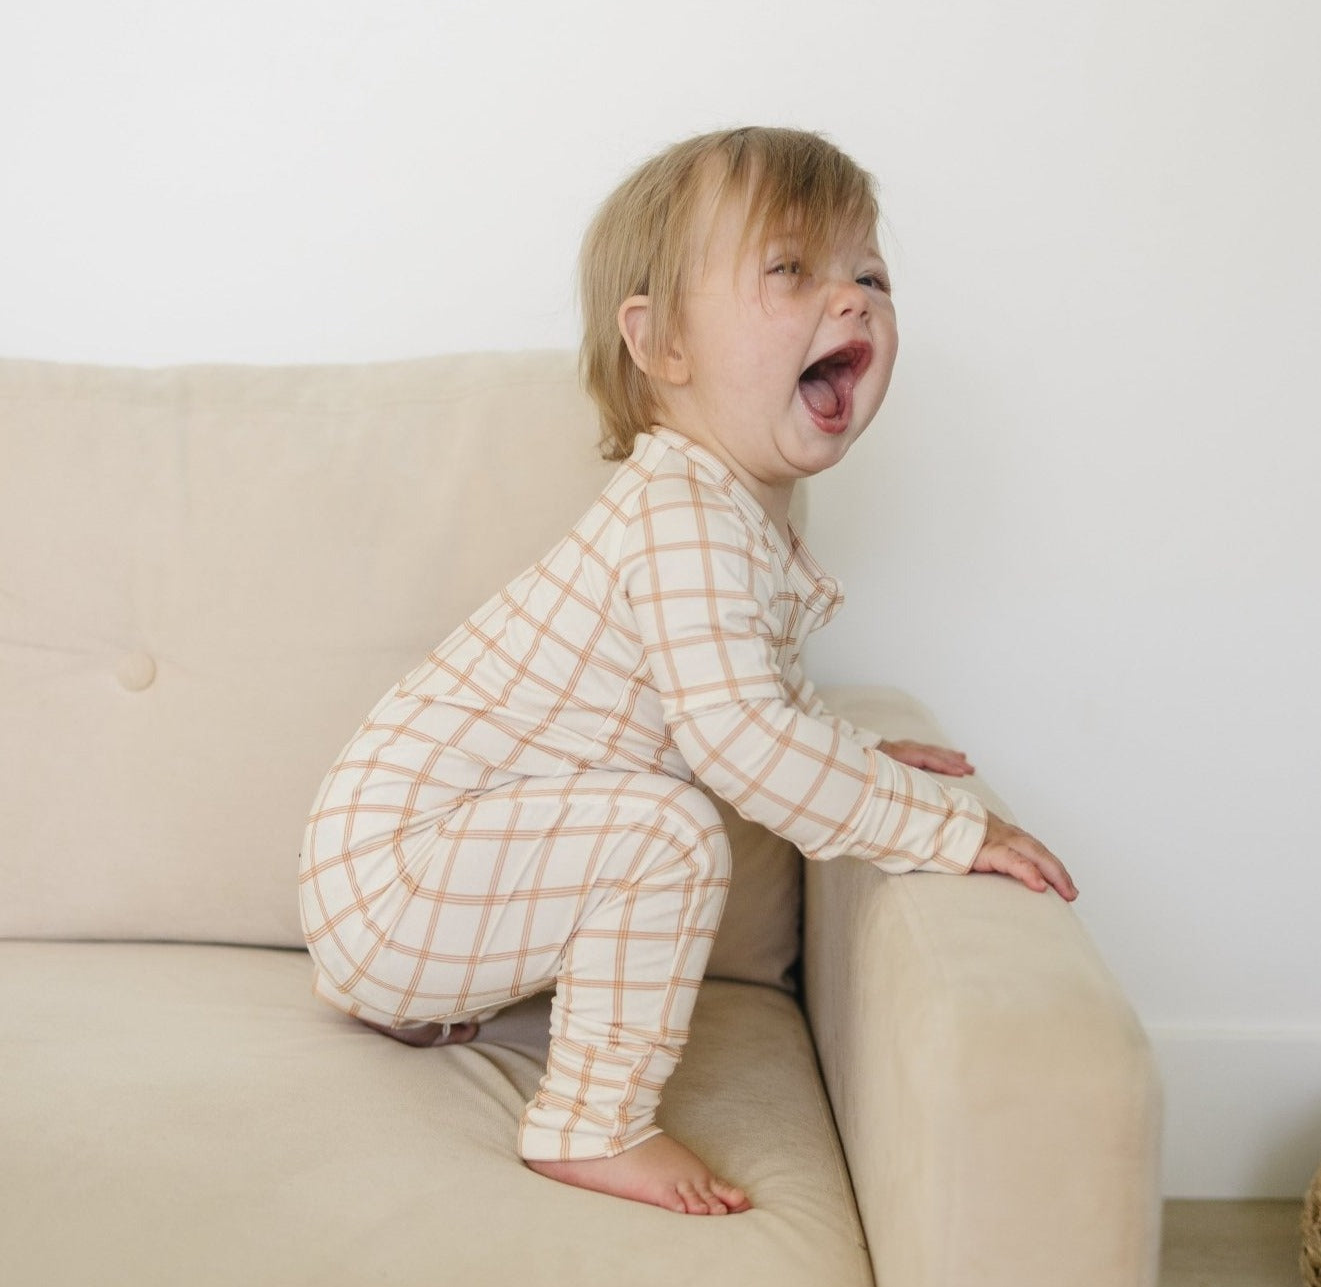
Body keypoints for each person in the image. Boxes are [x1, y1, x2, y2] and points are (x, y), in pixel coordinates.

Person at [298, 126, 1077, 1218]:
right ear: (662, 343)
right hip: (394, 875)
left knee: (652, 813)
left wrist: (851, 752)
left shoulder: (729, 508)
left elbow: (748, 690)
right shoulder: (682, 519)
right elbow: (739, 741)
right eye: (792, 270)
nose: (853, 301)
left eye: (870, 275)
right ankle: (589, 1121)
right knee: (667, 829)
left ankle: (408, 998)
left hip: (393, 887)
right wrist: (941, 827)